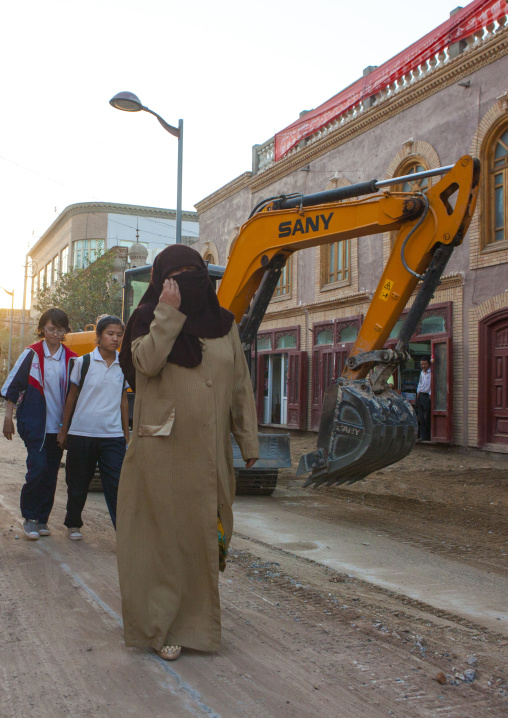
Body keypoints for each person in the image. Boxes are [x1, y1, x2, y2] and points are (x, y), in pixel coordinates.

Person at [117, 245, 259, 662]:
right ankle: (163, 627)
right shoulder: (146, 319)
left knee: (204, 541)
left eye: (192, 273)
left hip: (210, 455)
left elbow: (239, 385)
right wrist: (168, 313)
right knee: (163, 545)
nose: (184, 282)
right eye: (174, 275)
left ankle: (195, 622)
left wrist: (248, 439)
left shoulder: (224, 325)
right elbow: (145, 363)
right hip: (162, 455)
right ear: (161, 282)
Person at [1, 308, 77, 540]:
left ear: (66, 331)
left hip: (59, 427)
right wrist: (8, 418)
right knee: (38, 469)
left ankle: (42, 518)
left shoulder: (71, 358)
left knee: (51, 472)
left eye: (59, 329)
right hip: (35, 423)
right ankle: (30, 518)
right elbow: (13, 386)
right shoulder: (32, 354)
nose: (54, 334)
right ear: (42, 328)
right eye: (50, 329)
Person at [58, 316, 130, 540]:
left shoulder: (124, 365)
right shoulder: (83, 363)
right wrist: (64, 429)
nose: (115, 338)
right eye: (110, 334)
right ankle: (73, 524)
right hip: (82, 434)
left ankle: (124, 533)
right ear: (98, 336)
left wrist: (125, 434)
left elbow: (123, 400)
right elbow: (71, 397)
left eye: (119, 334)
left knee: (117, 485)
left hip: (112, 436)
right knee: (78, 482)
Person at [416, 356, 432, 442]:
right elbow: (420, 383)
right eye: (422, 364)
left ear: (428, 364)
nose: (423, 366)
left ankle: (428, 436)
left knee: (427, 417)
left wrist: (430, 395)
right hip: (421, 395)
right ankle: (422, 436)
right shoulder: (422, 372)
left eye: (425, 364)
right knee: (421, 417)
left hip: (427, 396)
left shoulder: (432, 373)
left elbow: (433, 384)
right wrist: (418, 394)